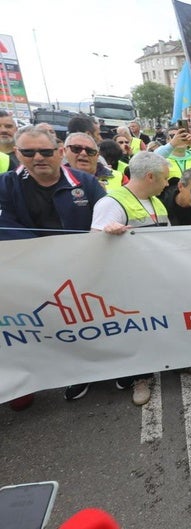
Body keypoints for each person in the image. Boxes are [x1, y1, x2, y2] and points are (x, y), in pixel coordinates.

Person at [0, 125, 106, 407]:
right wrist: (44, 255)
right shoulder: (6, 185)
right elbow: (4, 226)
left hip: (85, 270)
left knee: (92, 321)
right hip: (31, 273)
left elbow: (106, 215)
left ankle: (111, 367)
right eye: (28, 152)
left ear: (59, 153)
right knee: (52, 325)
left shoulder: (86, 183)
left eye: (45, 151)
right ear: (17, 153)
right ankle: (74, 373)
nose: (38, 158)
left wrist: (113, 227)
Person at [85, 151, 171, 405]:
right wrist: (106, 234)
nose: (168, 184)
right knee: (136, 330)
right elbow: (92, 247)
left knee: (163, 324)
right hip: (129, 285)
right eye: (165, 178)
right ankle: (139, 378)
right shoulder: (112, 203)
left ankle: (176, 363)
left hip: (157, 279)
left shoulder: (155, 201)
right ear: (150, 176)